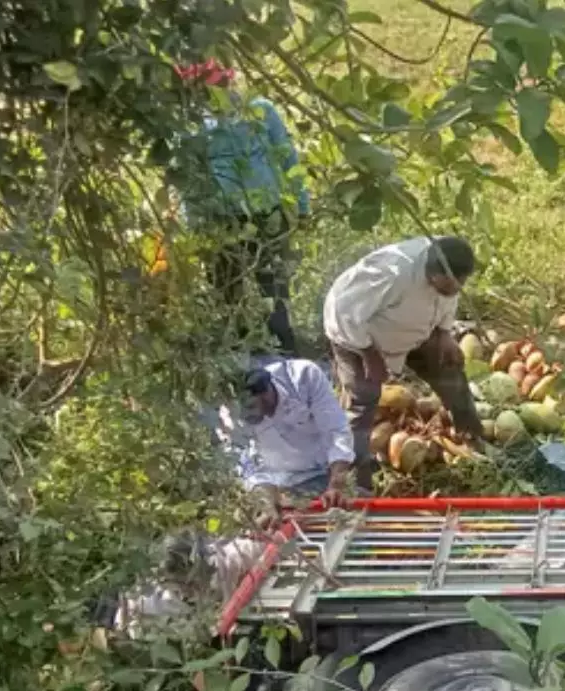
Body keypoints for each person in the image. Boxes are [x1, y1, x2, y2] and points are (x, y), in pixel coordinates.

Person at [323, 236, 484, 486]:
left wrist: (443, 333)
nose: (455, 290)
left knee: (448, 366)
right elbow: (343, 312)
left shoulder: (447, 262)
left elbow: (448, 299)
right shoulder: (391, 274)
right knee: (363, 399)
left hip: (412, 328)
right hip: (357, 336)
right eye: (449, 284)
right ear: (431, 274)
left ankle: (471, 435)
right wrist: (369, 354)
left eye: (460, 284)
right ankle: (356, 478)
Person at [175, 59, 309, 355]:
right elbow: (187, 179)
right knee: (227, 297)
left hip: (266, 215)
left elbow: (288, 158)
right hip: (220, 221)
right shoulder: (191, 127)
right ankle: (242, 366)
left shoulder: (261, 111)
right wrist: (195, 226)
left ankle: (287, 362)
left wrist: (302, 205)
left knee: (273, 294)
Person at [218, 358, 354, 528]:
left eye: (250, 408)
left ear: (265, 393)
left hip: (328, 470)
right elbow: (248, 465)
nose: (246, 418)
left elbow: (336, 431)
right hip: (279, 485)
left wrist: (336, 485)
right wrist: (266, 504)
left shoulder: (303, 377)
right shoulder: (230, 415)